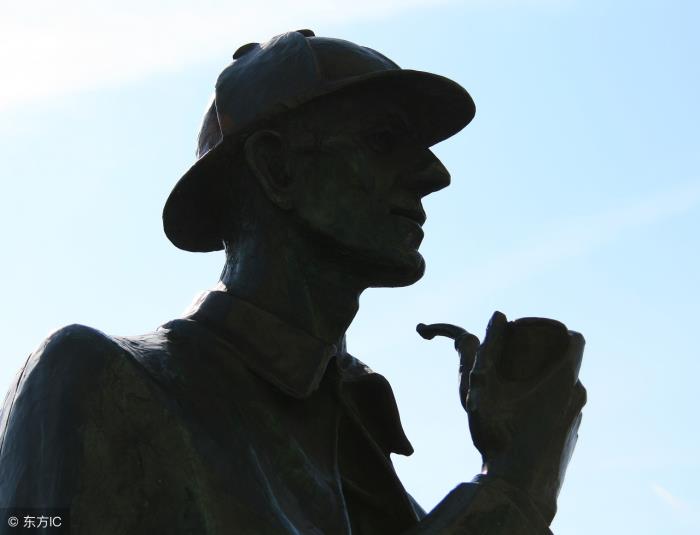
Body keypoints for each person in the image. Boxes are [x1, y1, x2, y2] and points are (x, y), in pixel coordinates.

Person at [0, 30, 585, 534]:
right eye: (384, 141)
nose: (435, 174)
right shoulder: (96, 382)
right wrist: (513, 488)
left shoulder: (384, 491)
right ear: (275, 166)